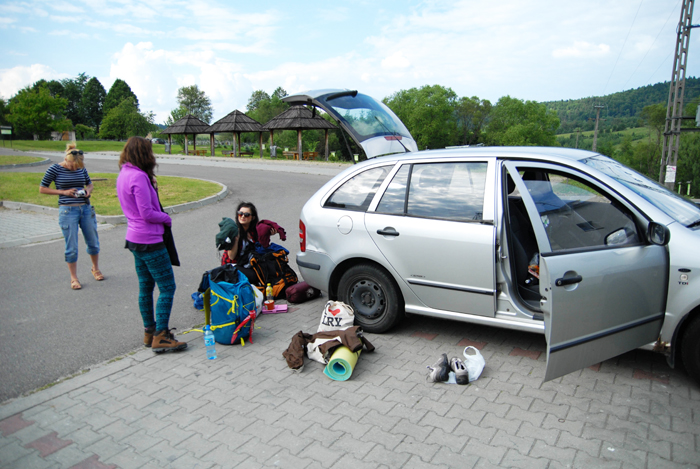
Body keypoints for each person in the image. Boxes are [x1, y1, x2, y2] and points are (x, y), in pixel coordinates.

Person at [116, 137, 187, 353]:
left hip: (134, 239)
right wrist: (166, 218)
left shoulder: (125, 174)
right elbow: (147, 213)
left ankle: (149, 332)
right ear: (144, 154)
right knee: (167, 287)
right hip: (150, 240)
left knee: (145, 287)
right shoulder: (138, 176)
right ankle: (162, 335)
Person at [40, 143, 103, 290]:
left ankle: (95, 268)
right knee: (72, 247)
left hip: (86, 209)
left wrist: (88, 190)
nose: (75, 167)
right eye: (72, 165)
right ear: (66, 159)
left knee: (93, 242)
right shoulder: (54, 169)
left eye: (78, 165)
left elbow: (89, 184)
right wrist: (63, 192)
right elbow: (42, 188)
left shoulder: (81, 168)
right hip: (68, 211)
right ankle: (74, 278)